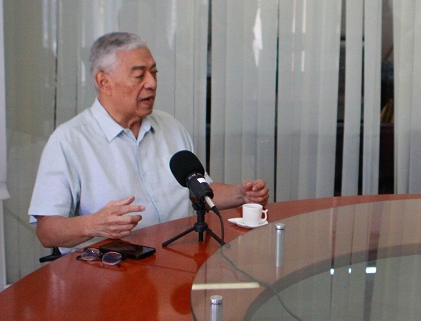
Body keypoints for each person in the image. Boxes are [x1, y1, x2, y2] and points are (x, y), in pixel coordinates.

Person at [29, 32, 269, 249]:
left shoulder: (171, 127)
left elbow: (198, 190)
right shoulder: (69, 141)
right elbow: (46, 231)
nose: (151, 84)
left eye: (153, 73)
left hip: (179, 257)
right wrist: (92, 225)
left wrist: (240, 195)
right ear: (104, 82)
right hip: (108, 270)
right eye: (138, 75)